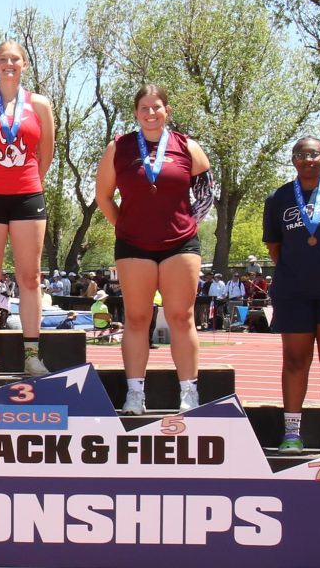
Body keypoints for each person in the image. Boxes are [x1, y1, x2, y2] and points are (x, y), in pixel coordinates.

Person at [95, 84, 215, 415]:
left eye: (156, 107)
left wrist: (189, 224)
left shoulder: (186, 146)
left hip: (180, 245)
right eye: (144, 108)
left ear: (167, 111)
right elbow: (104, 196)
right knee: (137, 318)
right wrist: (123, 225)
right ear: (136, 113)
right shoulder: (118, 147)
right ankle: (135, 393)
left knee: (181, 316)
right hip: (134, 245)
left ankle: (189, 392)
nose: (151, 113)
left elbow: (206, 192)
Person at [0, 40, 56, 377]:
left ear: (25, 64)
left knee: (29, 278)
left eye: (15, 59)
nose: (9, 64)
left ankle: (32, 356)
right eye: (3, 59)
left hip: (28, 195)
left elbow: (46, 152)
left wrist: (26, 181)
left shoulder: (40, 105)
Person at [262, 136, 320, 454]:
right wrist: (298, 270)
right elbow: (275, 247)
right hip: (293, 291)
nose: (308, 159)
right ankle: (292, 434)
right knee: (294, 361)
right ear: (293, 160)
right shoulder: (278, 198)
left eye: (313, 154)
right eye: (301, 154)